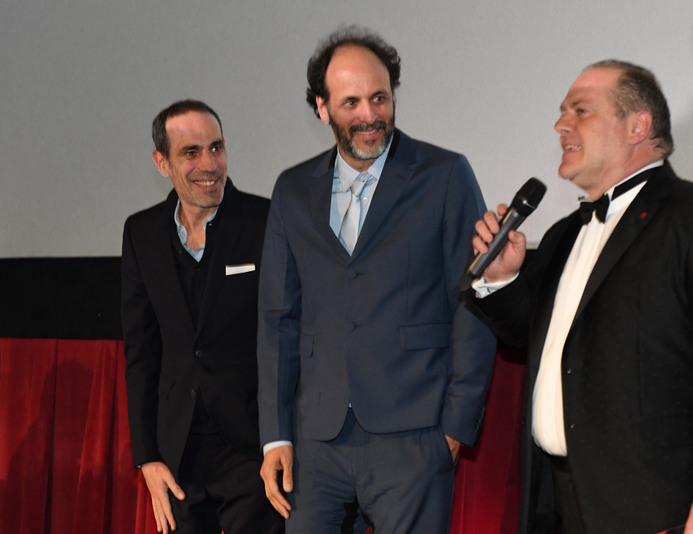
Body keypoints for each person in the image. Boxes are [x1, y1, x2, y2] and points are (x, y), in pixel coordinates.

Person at [469, 60, 693, 534]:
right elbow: (529, 339)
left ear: (638, 126)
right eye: (562, 112)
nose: (561, 125)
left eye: (581, 110)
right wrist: (501, 279)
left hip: (660, 505)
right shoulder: (563, 234)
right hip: (560, 501)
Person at [256, 25, 496, 534]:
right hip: (315, 442)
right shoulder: (293, 190)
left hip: (413, 437)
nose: (370, 115)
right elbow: (279, 318)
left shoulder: (445, 175)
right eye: (351, 102)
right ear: (322, 107)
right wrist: (276, 435)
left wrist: (454, 429)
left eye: (380, 98)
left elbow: (473, 302)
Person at [122, 99, 283, 534]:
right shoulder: (141, 234)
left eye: (216, 148)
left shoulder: (267, 221)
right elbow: (141, 351)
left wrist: (281, 439)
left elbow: (291, 337)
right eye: (191, 152)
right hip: (177, 456)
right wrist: (148, 457)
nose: (209, 164)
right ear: (162, 163)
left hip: (253, 451)